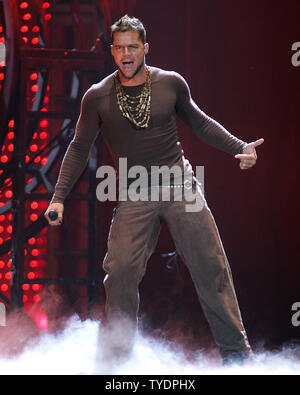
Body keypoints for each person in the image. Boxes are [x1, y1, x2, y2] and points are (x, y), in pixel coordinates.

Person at [44, 15, 264, 366]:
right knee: (119, 273)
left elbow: (201, 123)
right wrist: (58, 197)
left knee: (211, 265)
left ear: (145, 48)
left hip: (180, 185)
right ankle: (116, 361)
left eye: (133, 47)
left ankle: (237, 355)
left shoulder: (170, 83)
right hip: (134, 193)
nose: (126, 54)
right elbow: (78, 147)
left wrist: (240, 146)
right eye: (120, 48)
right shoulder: (97, 97)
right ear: (112, 52)